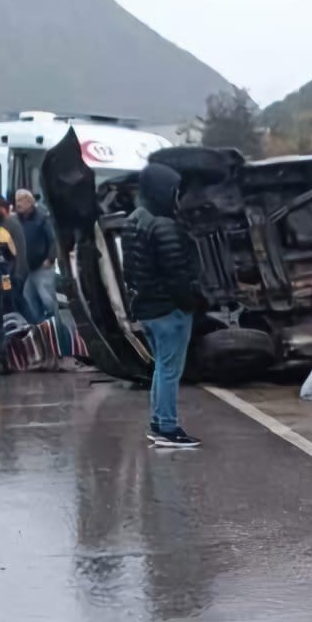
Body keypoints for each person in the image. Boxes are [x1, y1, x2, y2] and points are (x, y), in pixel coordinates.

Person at [121, 162, 204, 449]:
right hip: (169, 310)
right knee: (170, 370)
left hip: (146, 309)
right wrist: (190, 303)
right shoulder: (165, 225)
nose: (177, 196)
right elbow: (177, 274)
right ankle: (167, 428)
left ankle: (158, 422)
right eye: (174, 190)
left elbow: (129, 270)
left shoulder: (134, 220)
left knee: (161, 368)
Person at [15, 189, 59, 319]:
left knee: (47, 299)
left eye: (20, 201)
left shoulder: (42, 217)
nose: (17, 204)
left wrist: (50, 259)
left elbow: (53, 240)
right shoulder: (17, 219)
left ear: (29, 201)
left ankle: (55, 325)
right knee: (30, 299)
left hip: (42, 266)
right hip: (26, 268)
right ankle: (39, 328)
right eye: (16, 200)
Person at [0, 194, 29, 317]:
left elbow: (15, 248)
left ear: (2, 208)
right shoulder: (4, 223)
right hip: (9, 271)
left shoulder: (9, 223)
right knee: (12, 301)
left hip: (13, 272)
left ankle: (30, 325)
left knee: (12, 302)